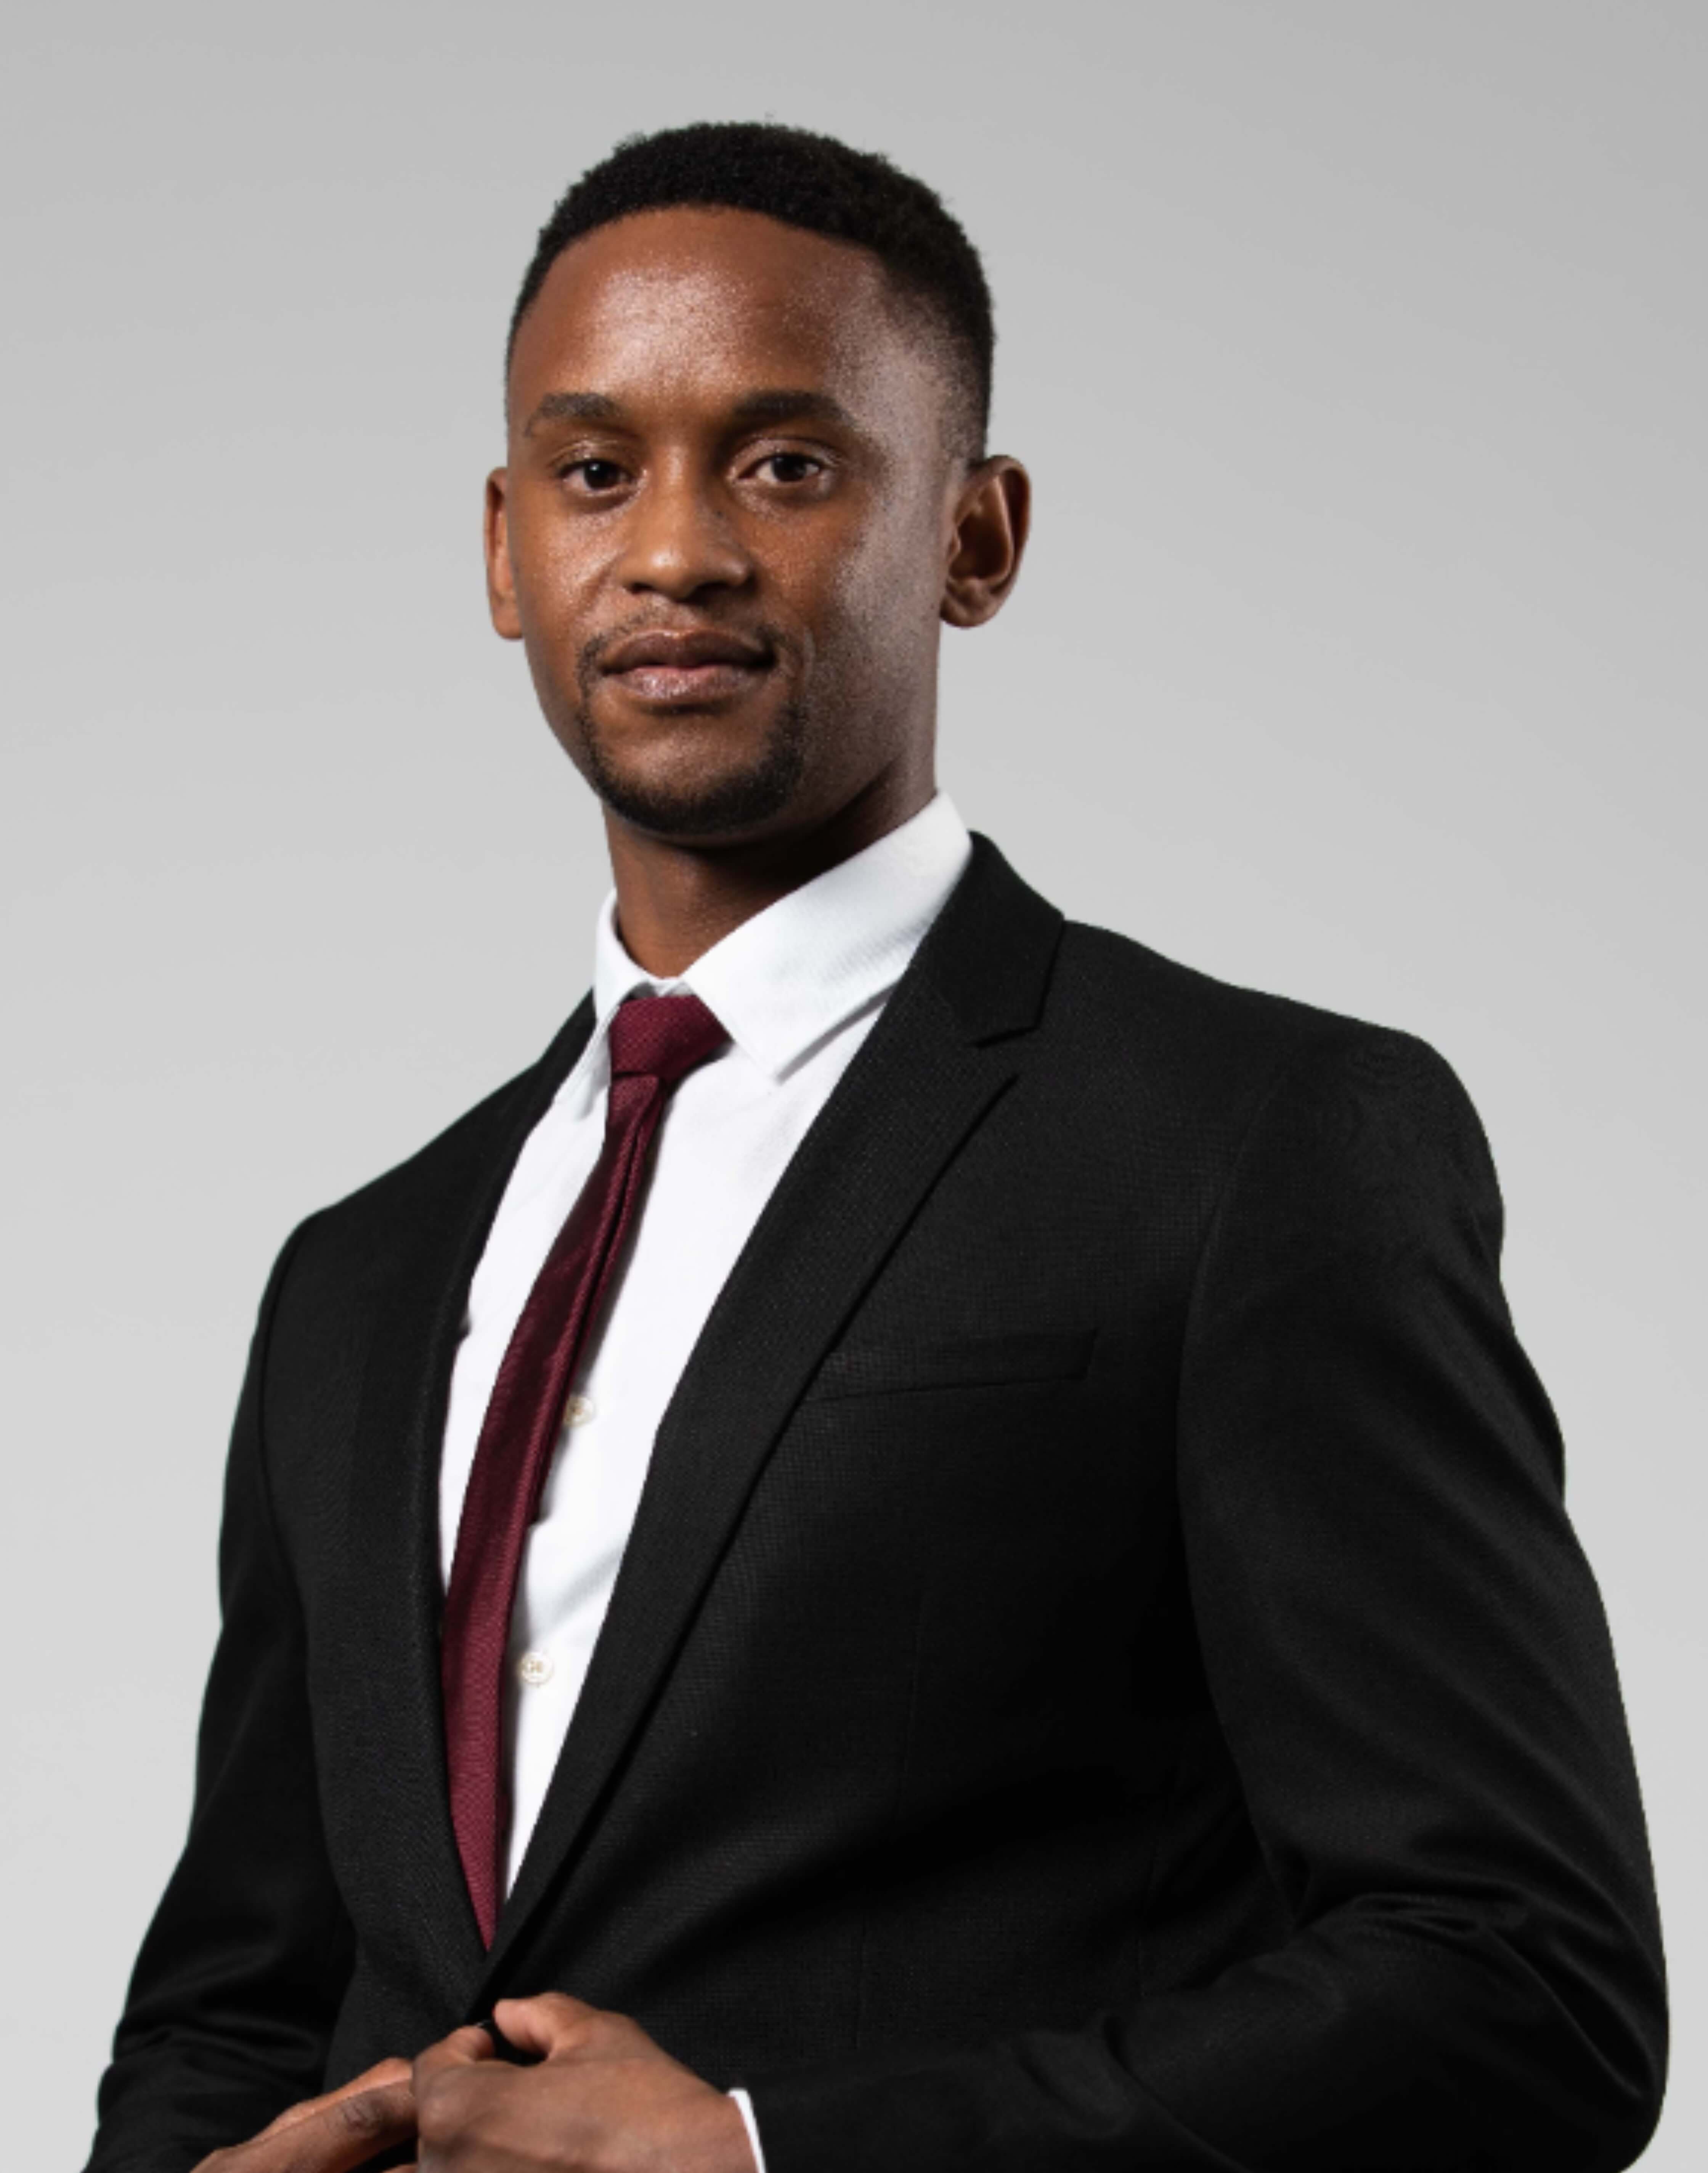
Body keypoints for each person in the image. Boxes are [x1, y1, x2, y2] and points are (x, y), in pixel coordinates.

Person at [83, 121, 1667, 2173]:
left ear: (974, 538)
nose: (676, 550)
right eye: (595, 471)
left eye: (784, 463)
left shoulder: (1255, 1146)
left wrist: (763, 2154)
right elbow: (234, 2006)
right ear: (503, 549)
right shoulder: (360, 1276)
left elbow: (1521, 1982)